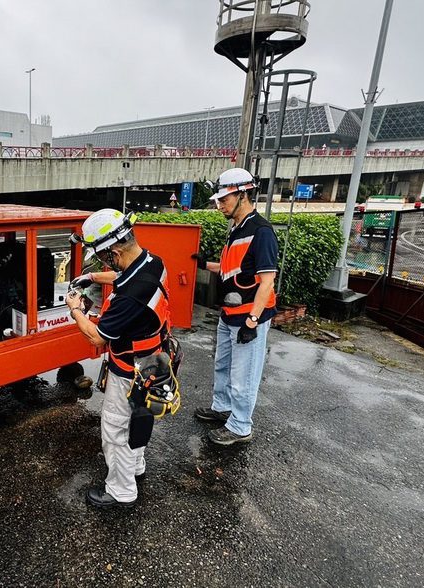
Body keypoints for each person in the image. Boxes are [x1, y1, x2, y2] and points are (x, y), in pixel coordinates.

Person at [65, 208, 172, 509]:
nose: (101, 263)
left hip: (129, 370)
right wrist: (91, 276)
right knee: (138, 420)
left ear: (113, 251)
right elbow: (123, 273)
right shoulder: (152, 262)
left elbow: (96, 336)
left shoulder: (130, 297)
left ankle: (121, 491)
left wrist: (75, 309)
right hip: (151, 362)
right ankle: (135, 468)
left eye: (101, 258)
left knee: (115, 429)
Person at [192, 168, 278, 446]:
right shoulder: (237, 229)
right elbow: (233, 270)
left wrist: (253, 322)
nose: (219, 206)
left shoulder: (261, 232)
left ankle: (240, 426)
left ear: (243, 194)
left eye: (224, 200)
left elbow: (267, 282)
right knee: (223, 366)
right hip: (229, 314)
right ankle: (222, 408)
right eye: (219, 200)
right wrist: (204, 264)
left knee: (243, 375)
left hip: (248, 317)